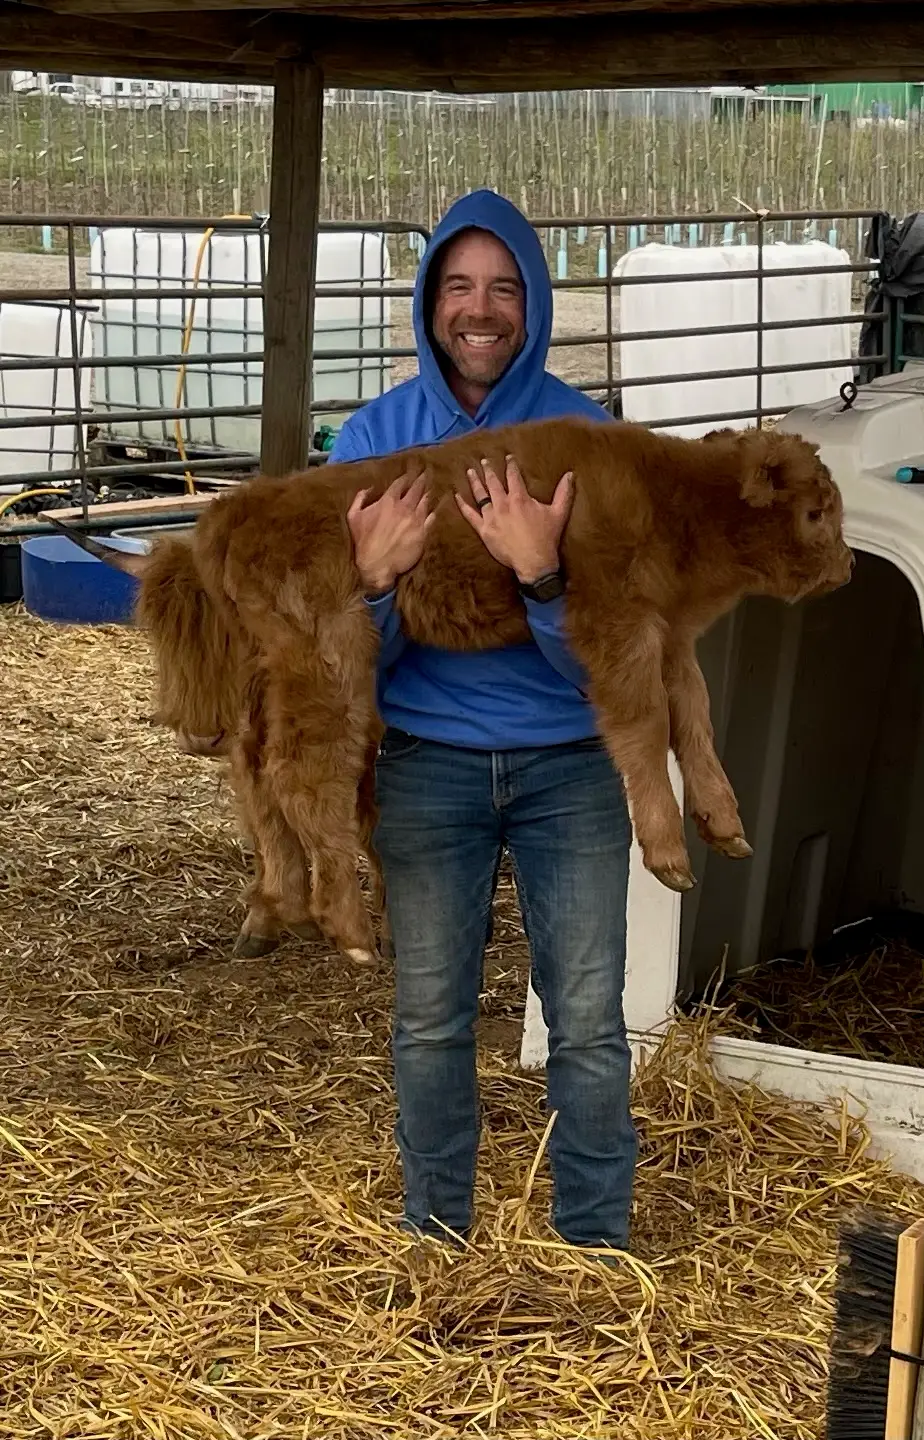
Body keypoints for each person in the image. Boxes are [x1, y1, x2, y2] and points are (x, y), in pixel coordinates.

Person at [329, 190, 637, 1253]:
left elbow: (607, 652)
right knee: (429, 1021)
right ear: (426, 303)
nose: (479, 308)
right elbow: (346, 663)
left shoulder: (583, 439)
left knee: (589, 1026)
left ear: (534, 303)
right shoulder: (372, 441)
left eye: (503, 287)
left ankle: (595, 1248)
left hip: (570, 768)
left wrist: (541, 575)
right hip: (426, 763)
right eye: (457, 286)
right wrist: (371, 587)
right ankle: (434, 1238)